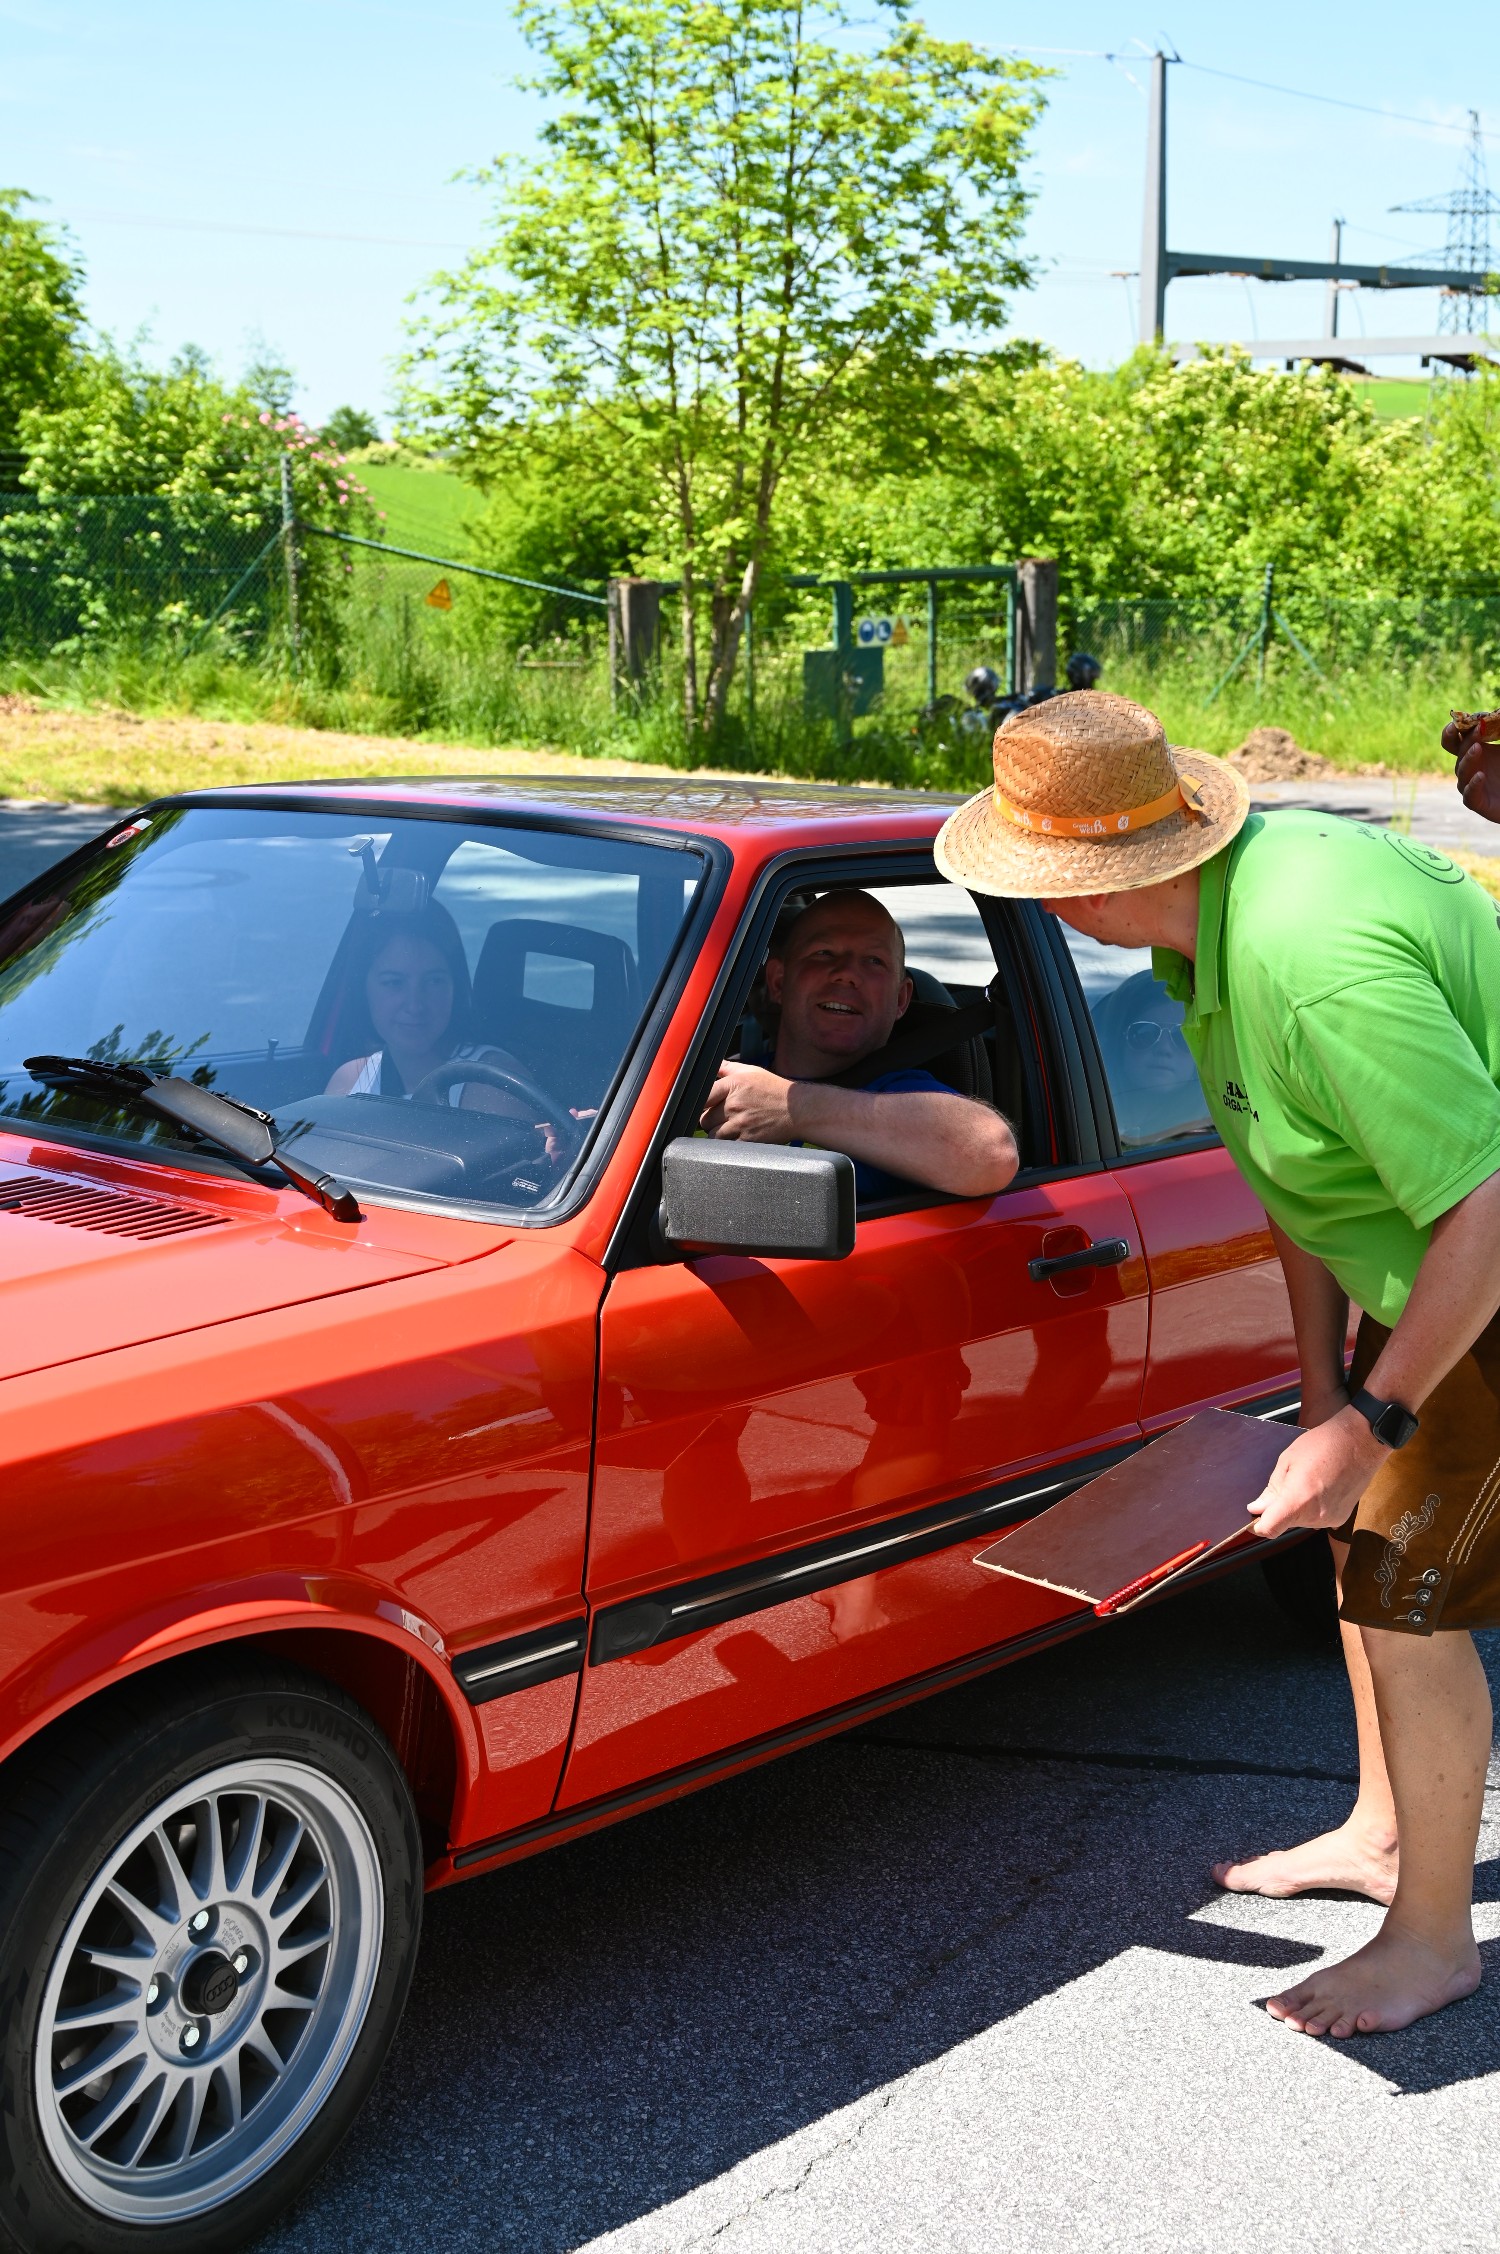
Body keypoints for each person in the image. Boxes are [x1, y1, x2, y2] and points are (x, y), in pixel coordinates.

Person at [936, 687, 1500, 2039]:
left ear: (1084, 892)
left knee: (1411, 1587)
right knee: (1359, 1544)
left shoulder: (1310, 952)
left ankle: (1430, 1941)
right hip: (1426, 1258)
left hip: (1482, 1252)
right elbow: (1303, 1178)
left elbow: (1486, 1199)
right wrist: (1317, 1388)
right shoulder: (1212, 933)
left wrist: (1372, 1417)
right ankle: (1383, 1830)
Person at [701, 889, 1017, 1200]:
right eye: (824, 952)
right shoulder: (723, 1075)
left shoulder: (903, 1095)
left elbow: (993, 1154)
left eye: (873, 961)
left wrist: (795, 1107)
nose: (847, 974)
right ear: (779, 982)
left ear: (901, 999)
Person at [326, 903, 537, 1121]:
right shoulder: (349, 1082)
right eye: (394, 982)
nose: (415, 1004)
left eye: (434, 981)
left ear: (455, 986)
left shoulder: (492, 1085)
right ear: (363, 990)